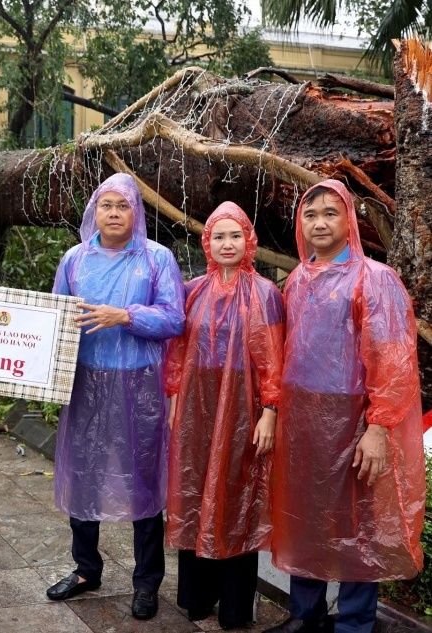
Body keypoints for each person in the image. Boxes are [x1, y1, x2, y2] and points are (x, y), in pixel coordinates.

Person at [265, 179, 424, 633]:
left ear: (348, 219)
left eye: (330, 213)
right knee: (304, 514)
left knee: (359, 521)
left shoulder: (375, 280)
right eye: (310, 214)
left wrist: (379, 426)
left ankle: (354, 621)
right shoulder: (297, 279)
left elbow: (392, 360)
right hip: (303, 420)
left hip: (354, 419)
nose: (319, 222)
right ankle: (306, 614)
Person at [46, 173, 184, 620]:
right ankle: (86, 569)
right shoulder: (74, 259)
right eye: (106, 205)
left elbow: (174, 319)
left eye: (122, 206)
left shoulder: (157, 259)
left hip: (139, 385)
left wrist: (125, 315)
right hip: (85, 383)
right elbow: (54, 318)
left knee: (144, 479)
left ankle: (147, 582)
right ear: (94, 211)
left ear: (136, 212)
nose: (113, 213)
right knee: (82, 472)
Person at [164, 203, 284, 629]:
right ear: (207, 242)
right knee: (195, 488)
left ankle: (235, 604)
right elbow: (177, 351)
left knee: (237, 495)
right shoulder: (193, 290)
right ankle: (197, 596)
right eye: (219, 236)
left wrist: (269, 410)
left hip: (242, 410)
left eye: (235, 236)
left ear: (248, 240)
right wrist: (175, 395)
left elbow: (273, 358)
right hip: (198, 407)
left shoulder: (266, 293)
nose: (227, 244)